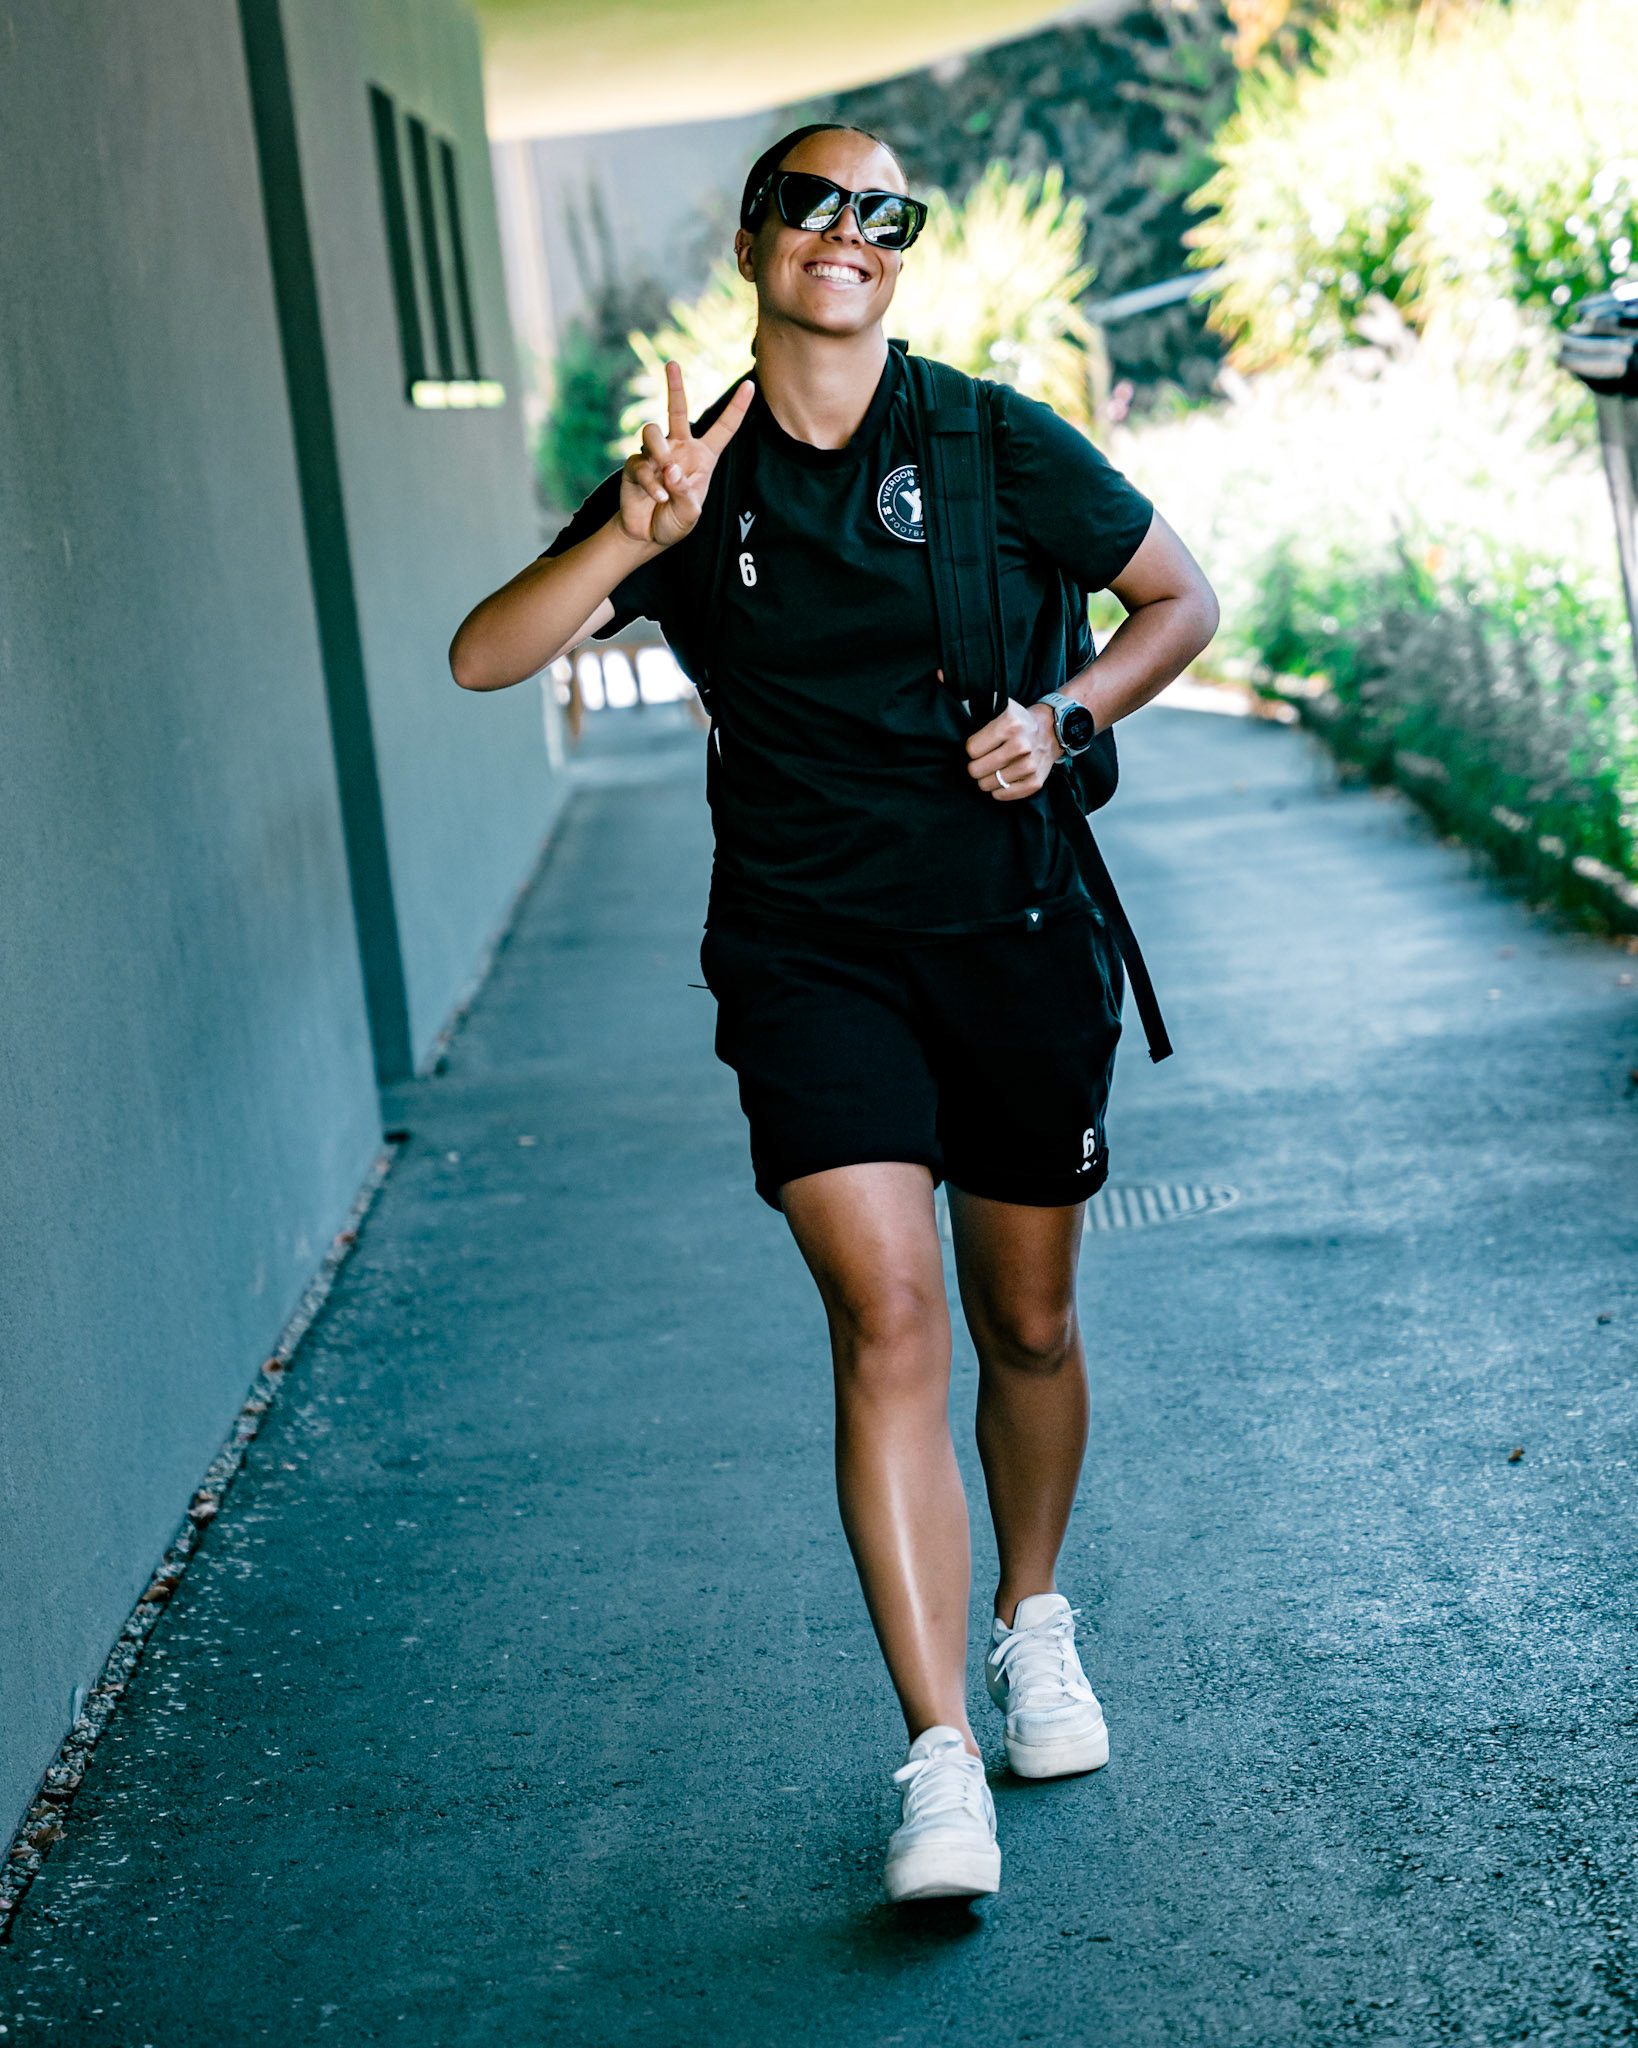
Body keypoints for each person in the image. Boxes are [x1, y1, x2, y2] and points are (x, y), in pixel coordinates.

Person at [450, 122, 1218, 1903]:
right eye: (817, 206)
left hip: (1012, 937)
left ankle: (1035, 1617)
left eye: (887, 217)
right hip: (808, 958)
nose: (851, 236)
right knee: (887, 1317)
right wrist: (624, 537)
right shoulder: (688, 475)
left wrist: (1070, 720)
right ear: (752, 244)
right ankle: (936, 1752)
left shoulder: (987, 437)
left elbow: (1179, 599)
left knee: (1021, 1324)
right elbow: (492, 655)